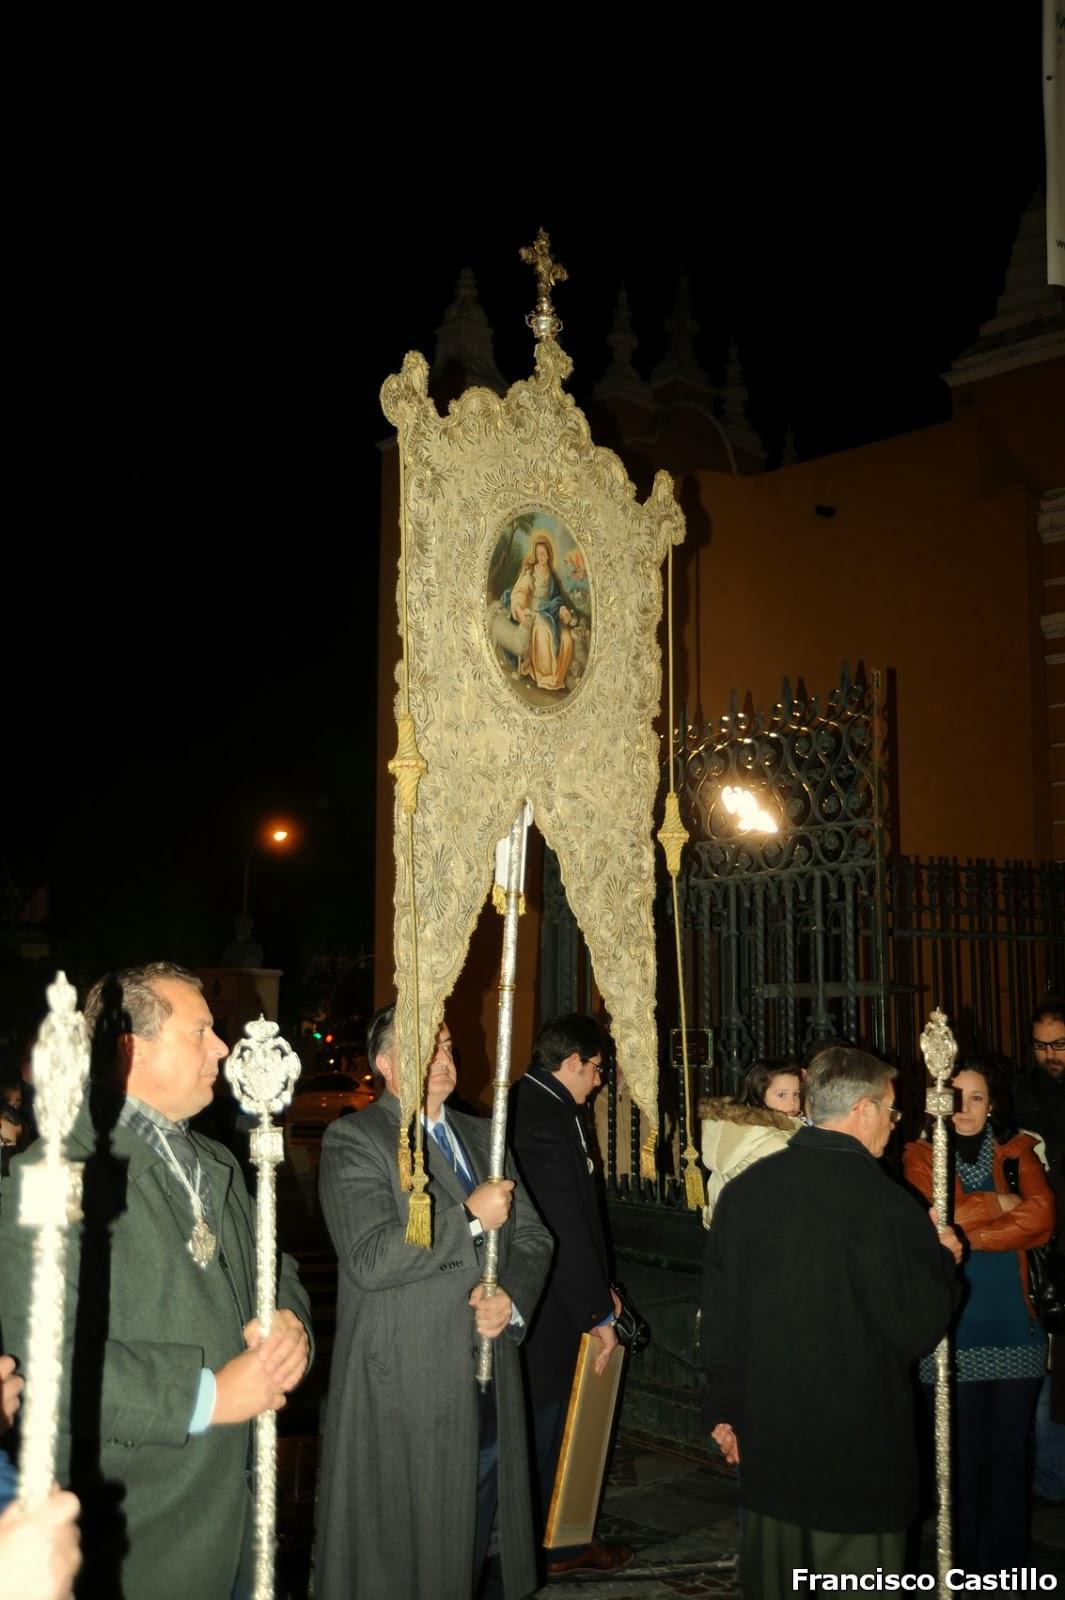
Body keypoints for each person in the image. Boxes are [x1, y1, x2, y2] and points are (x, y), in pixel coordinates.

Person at [0, 961, 312, 1600]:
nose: (221, 1048)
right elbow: (47, 1365)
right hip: (145, 1533)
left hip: (240, 1515)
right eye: (201, 1032)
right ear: (130, 1049)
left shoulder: (216, 1158)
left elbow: (275, 1265)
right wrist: (206, 1397)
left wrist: (291, 1322)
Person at [702, 1046, 961, 1596]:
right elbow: (917, 1327)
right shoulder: (889, 1207)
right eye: (891, 1112)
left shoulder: (747, 1192)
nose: (894, 1125)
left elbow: (722, 1315)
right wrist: (943, 1261)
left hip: (771, 1455)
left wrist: (724, 1410)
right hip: (856, 1468)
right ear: (863, 1109)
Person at [315, 1003, 551, 1600]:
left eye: (446, 1044)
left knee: (481, 1535)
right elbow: (370, 1257)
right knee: (413, 1550)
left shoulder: (483, 1134)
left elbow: (532, 1237)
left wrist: (511, 1301)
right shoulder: (356, 1139)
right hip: (407, 1380)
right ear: (388, 1064)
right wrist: (468, 1219)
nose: (442, 1058)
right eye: (427, 1046)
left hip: (488, 1373)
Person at [904, 1058, 1055, 1570]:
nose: (964, 1108)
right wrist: (1000, 1205)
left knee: (1011, 1460)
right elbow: (931, 1221)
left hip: (1016, 1329)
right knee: (958, 1465)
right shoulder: (920, 1154)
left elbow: (1043, 1218)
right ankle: (962, 1572)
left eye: (976, 1097)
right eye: (955, 1096)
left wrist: (964, 1232)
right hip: (950, 1334)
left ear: (993, 1104)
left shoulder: (1017, 1151)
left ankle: (1008, 1573)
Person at [509, 1012, 634, 1580]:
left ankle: (549, 1541)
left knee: (551, 1428)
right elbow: (562, 1224)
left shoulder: (550, 1106)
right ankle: (541, 1549)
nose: (601, 1080)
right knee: (545, 1429)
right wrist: (595, 1310)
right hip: (552, 1305)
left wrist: (600, 1287)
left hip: (566, 1293)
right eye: (598, 1069)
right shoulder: (540, 1117)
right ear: (572, 1063)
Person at [1013, 998, 1065, 1502]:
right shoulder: (1023, 1089)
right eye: (1041, 1045)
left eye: (1059, 1045)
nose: (1050, 1055)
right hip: (1053, 1243)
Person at [699, 1057, 804, 1225]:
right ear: (758, 1094)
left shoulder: (728, 1126)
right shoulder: (777, 1142)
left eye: (796, 1094)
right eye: (782, 1095)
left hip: (726, 1229)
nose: (793, 1102)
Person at [506, 534, 576, 692]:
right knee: (543, 633)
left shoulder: (552, 575)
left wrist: (563, 610)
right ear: (535, 554)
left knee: (566, 637)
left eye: (544, 553)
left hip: (552, 612)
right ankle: (545, 677)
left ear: (549, 554)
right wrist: (519, 611)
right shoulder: (530, 572)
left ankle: (557, 677)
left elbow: (558, 598)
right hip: (535, 613)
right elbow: (519, 593)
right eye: (538, 553)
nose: (541, 556)